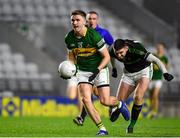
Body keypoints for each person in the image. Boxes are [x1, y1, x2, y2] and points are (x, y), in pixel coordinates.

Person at [64, 10, 129, 135]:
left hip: (99, 69)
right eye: (72, 20)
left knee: (104, 101)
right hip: (83, 71)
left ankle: (119, 104)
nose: (75, 22)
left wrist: (97, 70)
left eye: (77, 20)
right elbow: (71, 56)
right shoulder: (69, 38)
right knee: (85, 99)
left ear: (84, 22)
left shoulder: (94, 36)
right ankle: (102, 129)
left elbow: (106, 57)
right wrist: (69, 69)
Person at [109, 39, 174, 134]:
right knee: (119, 101)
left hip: (144, 71)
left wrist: (165, 73)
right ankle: (119, 109)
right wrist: (114, 68)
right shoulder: (112, 50)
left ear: (126, 48)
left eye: (121, 53)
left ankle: (131, 126)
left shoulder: (137, 49)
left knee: (138, 96)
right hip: (128, 74)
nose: (119, 55)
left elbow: (156, 60)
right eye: (117, 53)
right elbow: (111, 56)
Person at [73, 10, 117, 126]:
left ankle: (113, 104)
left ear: (97, 20)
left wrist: (114, 66)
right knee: (88, 94)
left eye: (93, 18)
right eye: (89, 19)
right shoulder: (83, 32)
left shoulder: (104, 33)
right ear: (86, 20)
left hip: (100, 67)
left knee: (97, 95)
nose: (91, 21)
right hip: (87, 68)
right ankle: (82, 117)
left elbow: (112, 49)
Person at [148, 42, 169, 118]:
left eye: (160, 47)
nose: (159, 48)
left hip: (158, 79)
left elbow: (167, 68)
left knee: (155, 95)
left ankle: (155, 112)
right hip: (151, 78)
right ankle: (151, 109)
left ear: (163, 48)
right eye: (158, 47)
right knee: (151, 95)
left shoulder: (164, 58)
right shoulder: (153, 56)